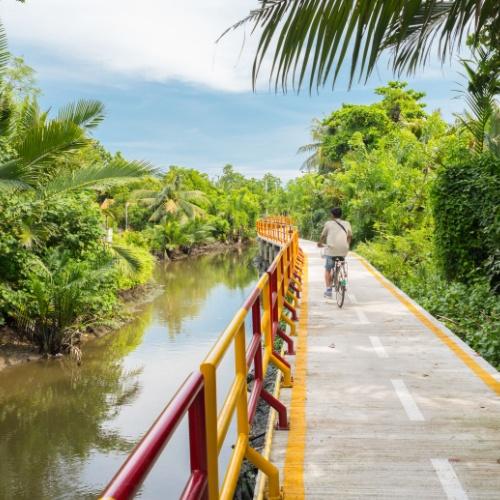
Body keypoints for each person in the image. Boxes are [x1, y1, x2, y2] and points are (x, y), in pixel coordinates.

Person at [317, 207, 352, 298]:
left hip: (331, 251)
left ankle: (328, 290)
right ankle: (342, 280)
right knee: (340, 263)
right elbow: (350, 236)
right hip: (344, 250)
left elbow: (323, 235)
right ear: (341, 214)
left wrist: (320, 243)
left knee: (328, 269)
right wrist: (347, 245)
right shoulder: (347, 223)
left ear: (332, 215)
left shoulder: (328, 224)